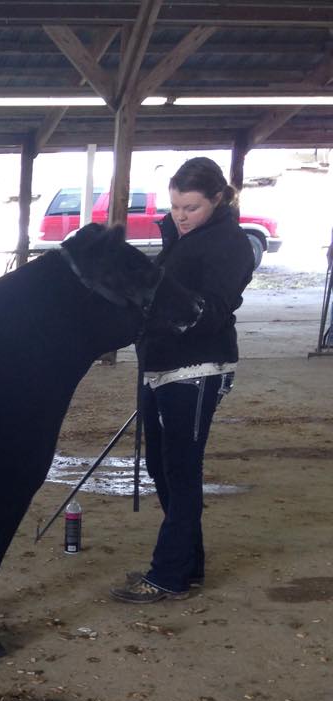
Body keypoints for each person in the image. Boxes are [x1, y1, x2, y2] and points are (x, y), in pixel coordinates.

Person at [110, 156, 254, 603]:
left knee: (181, 471)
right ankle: (188, 565)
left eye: (191, 207)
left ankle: (169, 575)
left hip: (196, 369)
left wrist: (161, 314)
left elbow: (215, 307)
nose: (181, 215)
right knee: (162, 467)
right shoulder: (180, 238)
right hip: (161, 367)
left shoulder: (228, 243)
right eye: (175, 206)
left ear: (216, 199)